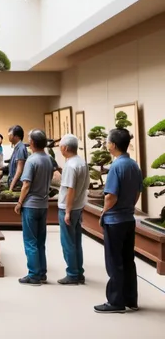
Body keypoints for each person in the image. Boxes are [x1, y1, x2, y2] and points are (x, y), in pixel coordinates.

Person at [95, 128, 143, 314]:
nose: (106, 145)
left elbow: (111, 196)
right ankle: (131, 299)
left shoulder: (116, 167)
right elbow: (138, 192)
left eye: (108, 142)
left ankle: (115, 301)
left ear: (113, 145)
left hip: (114, 221)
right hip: (128, 219)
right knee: (128, 260)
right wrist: (129, 207)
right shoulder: (133, 165)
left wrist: (103, 213)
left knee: (114, 261)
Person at [14, 129, 56, 286]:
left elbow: (26, 184)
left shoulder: (32, 160)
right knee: (40, 241)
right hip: (43, 204)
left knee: (30, 241)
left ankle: (33, 275)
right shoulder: (49, 159)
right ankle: (42, 272)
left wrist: (19, 203)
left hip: (31, 204)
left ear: (32, 143)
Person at [57, 134, 90, 285]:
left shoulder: (70, 166)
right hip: (78, 206)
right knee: (76, 241)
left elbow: (71, 189)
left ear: (65, 148)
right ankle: (78, 272)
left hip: (68, 208)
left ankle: (72, 273)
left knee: (68, 242)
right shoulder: (82, 162)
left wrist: (68, 211)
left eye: (60, 146)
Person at [8, 125, 28, 191]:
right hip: (14, 184)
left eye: (10, 134)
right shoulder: (17, 147)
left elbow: (19, 170)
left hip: (17, 185)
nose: (8, 136)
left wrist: (11, 186)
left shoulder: (21, 148)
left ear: (16, 136)